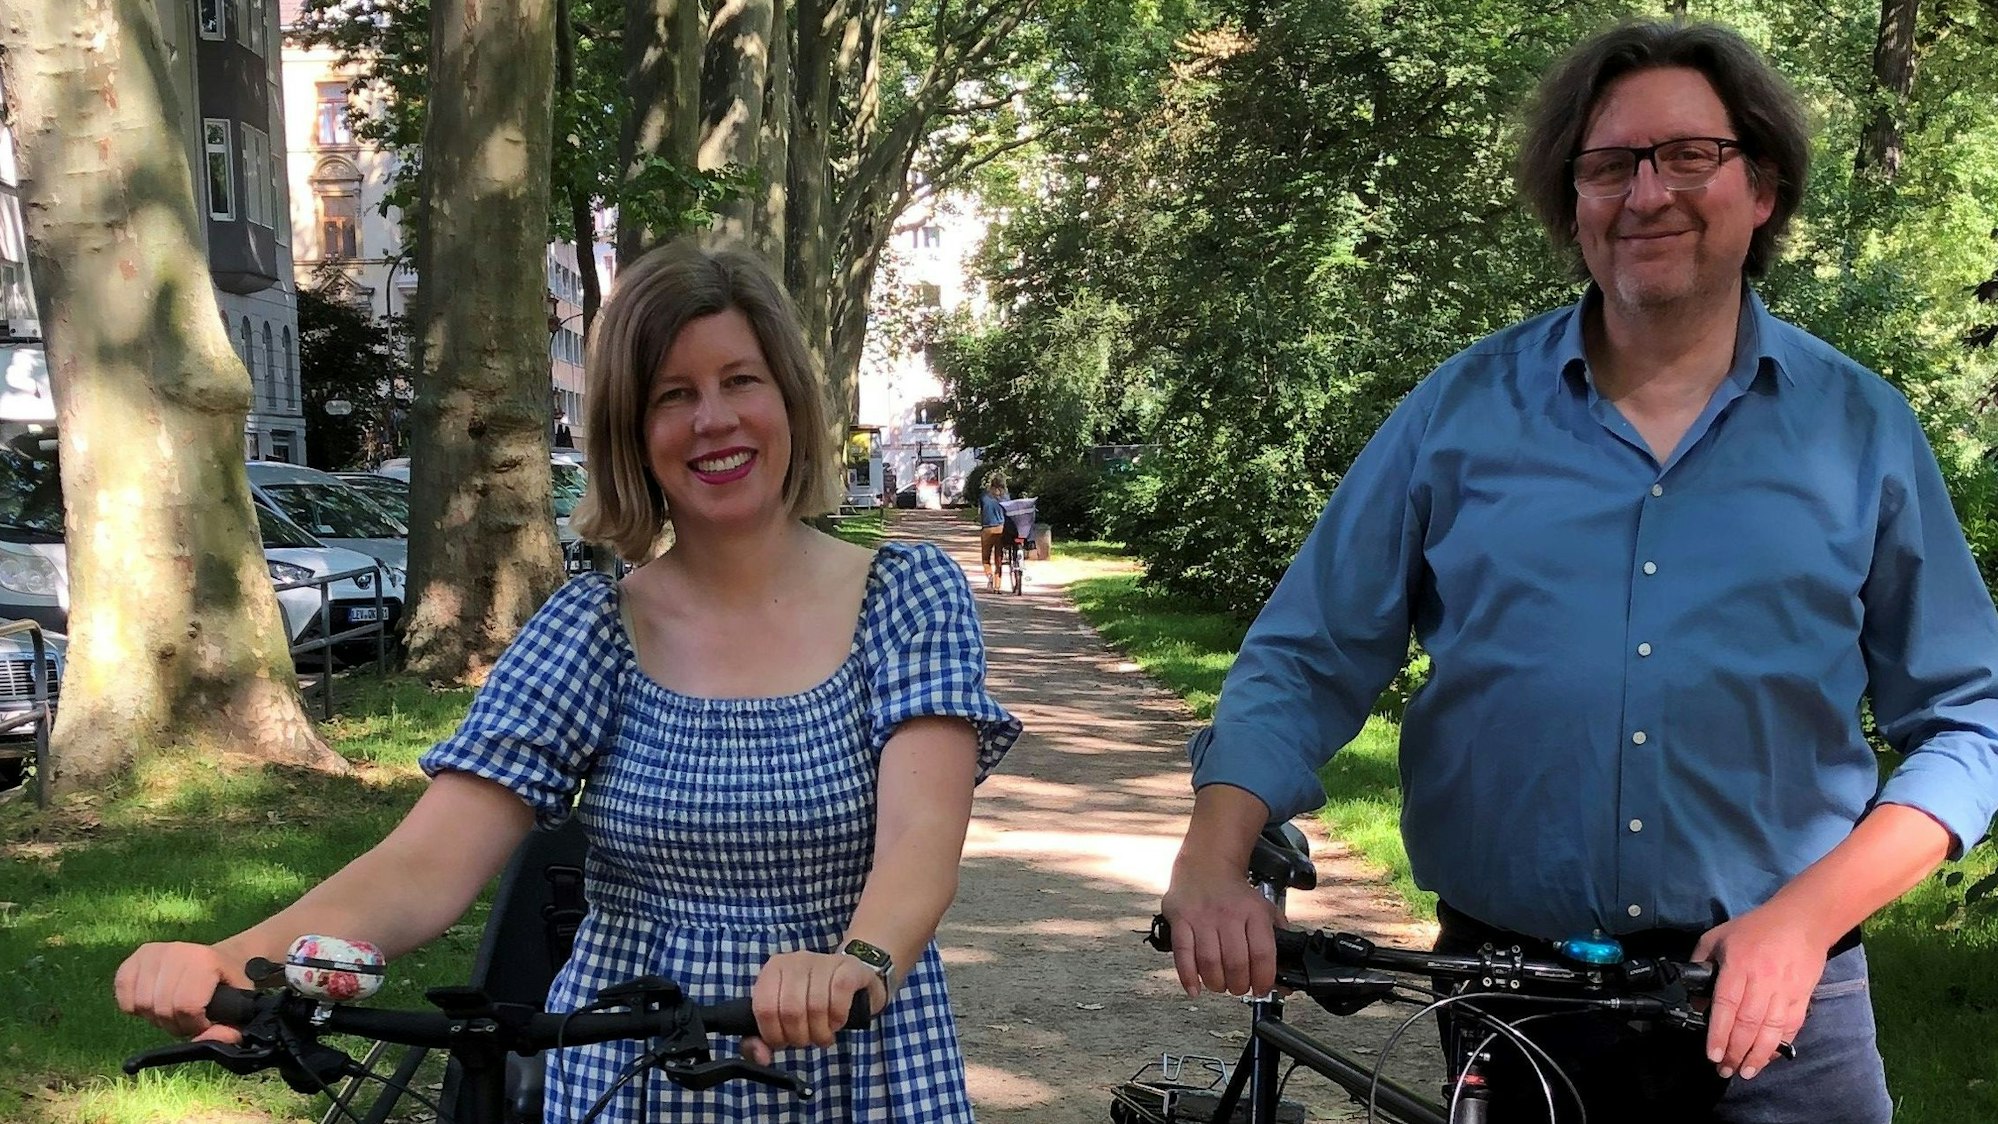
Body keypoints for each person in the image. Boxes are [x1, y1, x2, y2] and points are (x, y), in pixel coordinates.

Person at [1161, 19, 1998, 1124]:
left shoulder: (1862, 431)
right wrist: (1214, 855)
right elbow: (1308, 653)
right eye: (1609, 165)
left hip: (1783, 1008)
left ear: (1764, 190)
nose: (1647, 192)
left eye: (1689, 155)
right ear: (1572, 203)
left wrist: (1803, 917)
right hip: (1512, 1007)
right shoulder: (1455, 416)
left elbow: (1969, 717)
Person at [115, 238, 1022, 1122]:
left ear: (789, 397)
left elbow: (921, 840)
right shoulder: (592, 628)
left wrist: (855, 960)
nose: (713, 419)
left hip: (856, 1064)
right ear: (634, 432)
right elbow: (430, 861)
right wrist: (233, 959)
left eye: (740, 380)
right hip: (630, 1070)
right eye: (674, 395)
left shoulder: (905, 596)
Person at [978, 474, 1009, 592]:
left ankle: (989, 576)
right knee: (998, 558)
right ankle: (997, 586)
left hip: (987, 529)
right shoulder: (1006, 497)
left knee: (985, 559)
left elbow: (980, 512)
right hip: (1001, 528)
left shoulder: (984, 496)